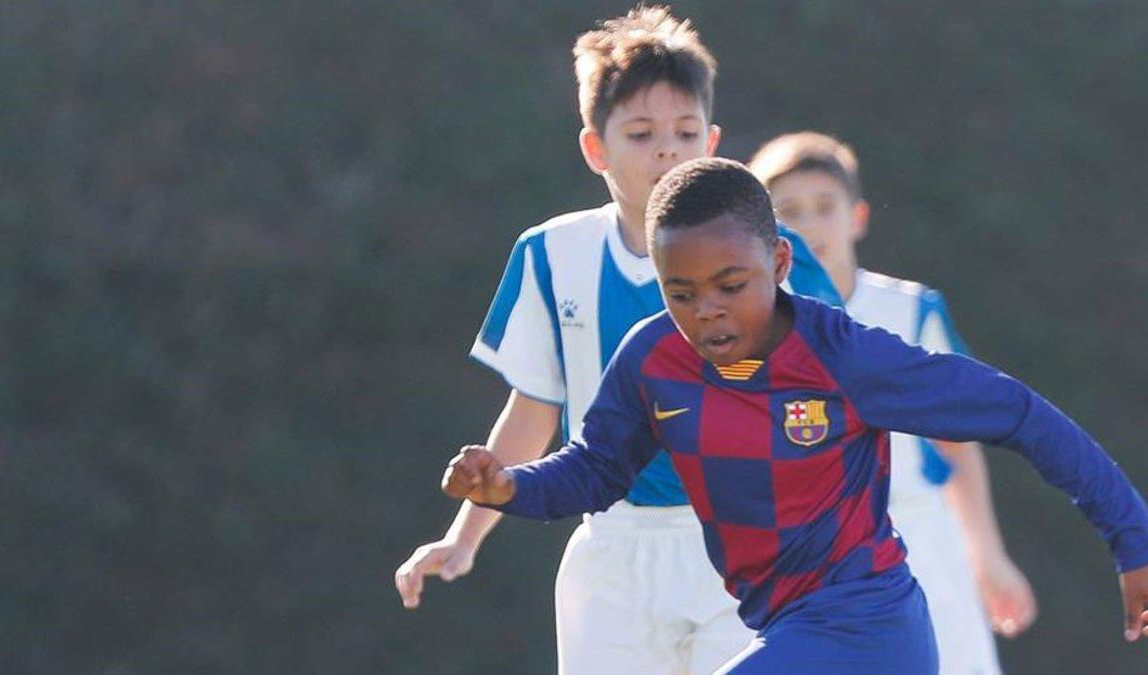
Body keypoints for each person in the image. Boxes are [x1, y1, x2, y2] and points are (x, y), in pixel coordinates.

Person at [440, 157, 1148, 674]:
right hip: (781, 630)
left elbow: (1018, 412)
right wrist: (510, 487)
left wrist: (1134, 539)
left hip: (871, 633)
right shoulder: (651, 359)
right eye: (680, 291)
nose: (707, 309)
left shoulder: (844, 354)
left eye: (730, 283)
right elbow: (595, 471)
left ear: (778, 261)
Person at [394, 7, 839, 673]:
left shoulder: (777, 254)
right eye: (641, 133)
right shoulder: (552, 253)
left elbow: (829, 393)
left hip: (750, 543)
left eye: (685, 131)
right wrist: (464, 538)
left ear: (712, 143)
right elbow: (537, 405)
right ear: (595, 148)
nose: (667, 149)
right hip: (613, 554)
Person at [747, 131, 1036, 673]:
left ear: (856, 216)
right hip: (809, 560)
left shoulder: (909, 311)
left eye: (824, 207)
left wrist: (987, 554)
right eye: (790, 211)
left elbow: (955, 446)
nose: (810, 224)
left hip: (920, 543)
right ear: (763, 231)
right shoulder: (747, 329)